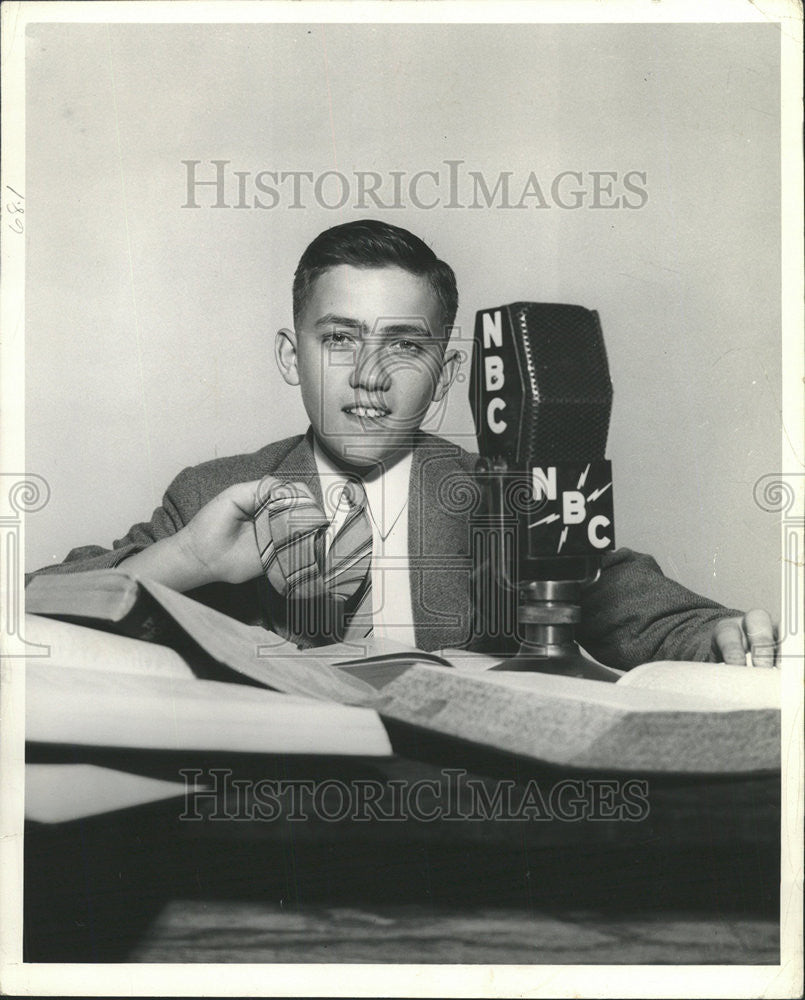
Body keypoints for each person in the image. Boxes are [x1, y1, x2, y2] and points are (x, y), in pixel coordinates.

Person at [28, 220, 778, 668]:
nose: (369, 377)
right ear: (293, 356)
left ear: (447, 374)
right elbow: (35, 610)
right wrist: (186, 560)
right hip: (265, 804)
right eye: (340, 339)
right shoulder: (211, 492)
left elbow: (636, 609)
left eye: (404, 346)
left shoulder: (502, 492)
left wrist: (717, 637)